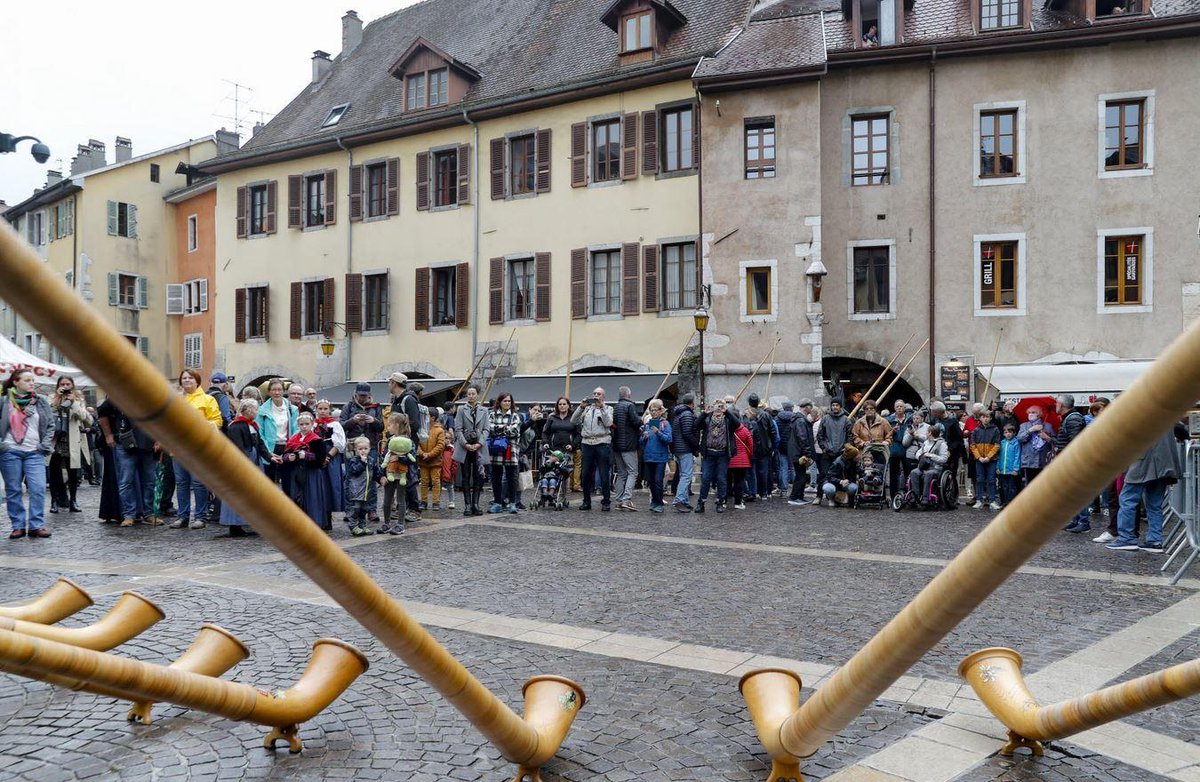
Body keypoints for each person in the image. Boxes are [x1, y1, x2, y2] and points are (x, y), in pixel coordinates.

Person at [1105, 428, 1182, 553]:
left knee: (1127, 500)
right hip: (1162, 463)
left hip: (1142, 461)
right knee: (1154, 505)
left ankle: (1127, 538)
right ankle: (1154, 540)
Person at [1, 369, 54, 539]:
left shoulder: (40, 401)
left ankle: (36, 525)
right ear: (16, 382)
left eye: (33, 380)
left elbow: (50, 425)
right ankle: (18, 525)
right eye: (27, 380)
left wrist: (44, 445)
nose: (32, 383)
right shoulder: (4, 401)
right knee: (13, 490)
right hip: (10, 451)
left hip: (34, 452)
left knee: (38, 489)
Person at [170, 370, 223, 530]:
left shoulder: (208, 399)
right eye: (184, 378)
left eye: (190, 378)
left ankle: (200, 516)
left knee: (198, 483)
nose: (186, 380)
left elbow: (217, 421)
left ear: (197, 381)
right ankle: (183, 516)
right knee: (181, 483)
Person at [220, 398, 279, 537]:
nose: (257, 412)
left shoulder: (253, 425)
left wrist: (270, 457)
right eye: (256, 409)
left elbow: (260, 445)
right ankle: (235, 525)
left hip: (254, 461)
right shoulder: (235, 426)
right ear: (248, 410)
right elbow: (238, 448)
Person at [97, 396, 158, 527]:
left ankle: (149, 514)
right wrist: (108, 435)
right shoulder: (119, 392)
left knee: (150, 482)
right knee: (126, 481)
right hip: (125, 443)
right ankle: (129, 515)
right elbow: (102, 412)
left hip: (148, 443)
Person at [47, 376, 91, 514]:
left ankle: (73, 501)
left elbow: (87, 419)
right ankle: (54, 501)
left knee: (73, 473)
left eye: (68, 384)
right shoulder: (51, 397)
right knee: (54, 472)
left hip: (72, 440)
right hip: (56, 440)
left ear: (72, 385)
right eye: (62, 384)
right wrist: (57, 400)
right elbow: (47, 415)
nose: (65, 386)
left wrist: (73, 403)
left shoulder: (79, 399)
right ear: (57, 386)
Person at [284, 412, 331, 531]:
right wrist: (289, 458)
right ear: (298, 425)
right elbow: (284, 455)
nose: (304, 426)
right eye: (301, 424)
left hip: (312, 473)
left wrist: (306, 455)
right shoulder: (293, 439)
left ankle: (314, 522)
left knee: (312, 496)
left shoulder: (317, 440)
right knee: (297, 496)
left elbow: (320, 459)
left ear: (312, 424)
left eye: (307, 424)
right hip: (296, 473)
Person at [388, 372, 424, 524]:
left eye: (389, 382)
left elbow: (415, 424)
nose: (388, 385)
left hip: (407, 445)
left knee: (409, 477)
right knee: (399, 476)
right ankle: (403, 507)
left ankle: (414, 509)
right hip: (397, 443)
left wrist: (401, 437)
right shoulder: (397, 400)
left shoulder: (408, 400)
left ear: (394, 383)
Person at [572, 387, 613, 512]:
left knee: (604, 474)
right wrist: (581, 407)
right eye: (594, 393)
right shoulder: (587, 409)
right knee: (585, 474)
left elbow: (608, 423)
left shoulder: (609, 408)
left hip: (602, 443)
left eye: (598, 394)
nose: (596, 396)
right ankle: (586, 501)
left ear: (603, 396)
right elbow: (573, 421)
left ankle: (606, 501)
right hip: (587, 443)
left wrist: (602, 408)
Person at [1056, 394, 1092, 533]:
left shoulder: (1073, 418)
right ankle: (1076, 519)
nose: (1055, 406)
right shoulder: (1069, 418)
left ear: (1061, 405)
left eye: (1056, 403)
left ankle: (1083, 521)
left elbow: (1075, 442)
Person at [695, 398, 737, 514]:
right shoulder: (707, 418)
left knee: (721, 479)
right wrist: (704, 413)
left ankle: (720, 502)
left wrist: (727, 412)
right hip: (709, 453)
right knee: (706, 478)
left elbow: (737, 424)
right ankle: (701, 502)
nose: (718, 408)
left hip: (723, 454)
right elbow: (696, 425)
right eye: (716, 406)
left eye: (720, 406)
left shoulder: (727, 419)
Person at [453, 385, 490, 517]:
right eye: (469, 394)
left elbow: (486, 429)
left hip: (479, 447)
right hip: (465, 447)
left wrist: (480, 443)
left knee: (478, 476)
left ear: (477, 395)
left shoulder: (484, 410)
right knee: (466, 476)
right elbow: (458, 429)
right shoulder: (461, 410)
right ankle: (468, 504)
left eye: (473, 394)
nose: (471, 396)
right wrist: (465, 444)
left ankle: (476, 503)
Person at [257, 379, 298, 490]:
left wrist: (292, 446)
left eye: (279, 389)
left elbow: (296, 429)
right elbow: (260, 432)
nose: (276, 392)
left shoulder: (292, 409)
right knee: (268, 481)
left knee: (288, 481)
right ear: (269, 392)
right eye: (274, 390)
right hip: (270, 448)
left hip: (287, 446)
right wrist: (267, 452)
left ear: (283, 391)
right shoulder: (262, 411)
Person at [487, 392, 523, 514]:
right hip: (496, 449)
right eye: (505, 401)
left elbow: (515, 431)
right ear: (500, 402)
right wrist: (505, 429)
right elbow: (490, 429)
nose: (507, 403)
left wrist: (499, 429)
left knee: (511, 477)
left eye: (509, 401)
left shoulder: (515, 416)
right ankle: (497, 502)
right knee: (496, 477)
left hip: (510, 450)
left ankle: (512, 503)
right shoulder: (492, 414)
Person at [380, 413, 414, 533]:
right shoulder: (390, 440)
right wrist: (382, 474)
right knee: (387, 500)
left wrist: (399, 459)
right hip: (389, 473)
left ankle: (400, 524)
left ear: (397, 425)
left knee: (401, 499)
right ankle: (386, 523)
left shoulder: (408, 441)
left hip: (402, 475)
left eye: (389, 425)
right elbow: (384, 457)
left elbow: (412, 460)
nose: (387, 427)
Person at [313, 400, 346, 519]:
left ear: (329, 410)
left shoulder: (335, 425)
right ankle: (319, 513)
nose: (322, 411)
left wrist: (327, 457)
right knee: (318, 484)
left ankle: (328, 514)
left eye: (325, 409)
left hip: (331, 456)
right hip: (316, 457)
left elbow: (339, 444)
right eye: (320, 409)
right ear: (316, 410)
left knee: (330, 483)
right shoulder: (313, 424)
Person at [611, 386, 642, 512]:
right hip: (629, 445)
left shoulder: (615, 407)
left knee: (621, 473)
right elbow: (636, 422)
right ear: (629, 395)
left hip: (617, 445)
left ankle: (618, 500)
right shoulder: (630, 406)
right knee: (633, 472)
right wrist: (640, 421)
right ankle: (626, 499)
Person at [343, 436, 381, 537]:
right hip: (355, 491)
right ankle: (353, 526)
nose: (363, 451)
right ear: (356, 450)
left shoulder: (371, 460)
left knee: (364, 509)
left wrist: (381, 478)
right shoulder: (354, 460)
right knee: (355, 509)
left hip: (366, 491)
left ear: (369, 449)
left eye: (365, 448)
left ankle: (362, 525)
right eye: (360, 449)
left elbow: (376, 472)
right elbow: (354, 471)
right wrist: (362, 463)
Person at [816, 400, 852, 504]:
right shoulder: (825, 419)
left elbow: (849, 436)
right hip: (827, 452)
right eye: (833, 405)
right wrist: (823, 447)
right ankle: (819, 496)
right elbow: (820, 435)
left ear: (840, 406)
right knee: (823, 474)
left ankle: (836, 497)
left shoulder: (846, 420)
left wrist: (847, 447)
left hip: (841, 453)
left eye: (837, 405)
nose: (835, 407)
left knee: (839, 475)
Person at [639, 399, 672, 513]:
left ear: (660, 411)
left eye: (655, 410)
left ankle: (659, 503)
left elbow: (668, 439)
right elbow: (641, 443)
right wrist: (644, 437)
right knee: (651, 482)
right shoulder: (647, 425)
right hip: (649, 457)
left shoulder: (665, 424)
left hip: (660, 457)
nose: (653, 413)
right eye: (651, 410)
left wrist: (658, 432)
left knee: (658, 480)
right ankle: (654, 501)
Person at [670, 393, 700, 512]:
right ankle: (679, 500)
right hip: (685, 448)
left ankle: (685, 500)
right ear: (692, 403)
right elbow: (687, 433)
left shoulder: (678, 414)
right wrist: (696, 446)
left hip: (678, 448)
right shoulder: (687, 414)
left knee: (683, 474)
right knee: (686, 476)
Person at [909, 424, 949, 506]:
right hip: (923, 467)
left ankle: (925, 498)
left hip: (935, 468)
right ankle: (915, 496)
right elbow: (917, 453)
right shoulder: (926, 443)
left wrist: (931, 455)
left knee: (928, 474)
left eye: (927, 431)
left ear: (930, 433)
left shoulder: (942, 444)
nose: (926, 433)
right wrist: (921, 455)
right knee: (914, 472)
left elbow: (944, 459)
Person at [786, 399, 817, 506]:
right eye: (810, 406)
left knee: (801, 475)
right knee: (801, 476)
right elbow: (802, 438)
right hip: (799, 453)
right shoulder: (800, 420)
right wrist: (807, 453)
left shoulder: (799, 419)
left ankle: (799, 496)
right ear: (806, 407)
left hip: (797, 452)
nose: (812, 408)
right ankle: (794, 497)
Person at [969, 411, 1002, 510]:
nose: (986, 419)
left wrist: (988, 457)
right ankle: (979, 500)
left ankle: (992, 500)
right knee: (980, 480)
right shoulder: (976, 430)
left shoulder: (995, 430)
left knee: (991, 480)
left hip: (991, 459)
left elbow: (997, 445)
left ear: (991, 418)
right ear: (980, 418)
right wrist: (979, 457)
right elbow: (972, 445)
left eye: (988, 417)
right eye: (983, 417)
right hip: (979, 459)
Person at [1016, 406, 1056, 487]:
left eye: (1033, 412)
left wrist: (1047, 437)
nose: (1030, 414)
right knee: (1030, 485)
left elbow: (1055, 441)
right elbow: (1019, 439)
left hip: (1043, 460)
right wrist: (1030, 430)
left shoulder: (1048, 426)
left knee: (1043, 485)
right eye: (1029, 413)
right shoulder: (1024, 426)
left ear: (1039, 414)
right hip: (1029, 460)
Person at [418, 407, 448, 511]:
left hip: (435, 461)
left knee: (436, 481)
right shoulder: (421, 429)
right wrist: (422, 453)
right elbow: (417, 443)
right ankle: (423, 501)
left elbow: (440, 445)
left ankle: (436, 502)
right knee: (424, 482)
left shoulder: (439, 430)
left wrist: (429, 454)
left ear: (432, 418)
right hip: (423, 460)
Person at [729, 410, 755, 510]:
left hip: (729, 460)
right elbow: (750, 445)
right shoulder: (744, 430)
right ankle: (738, 502)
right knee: (739, 481)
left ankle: (723, 502)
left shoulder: (727, 431)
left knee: (726, 481)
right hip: (742, 460)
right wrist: (749, 456)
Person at [997, 424, 1021, 507]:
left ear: (1014, 433)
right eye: (1006, 432)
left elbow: (1017, 456)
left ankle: (1011, 503)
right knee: (1002, 487)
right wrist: (997, 467)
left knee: (1012, 488)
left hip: (1011, 471)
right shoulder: (1002, 443)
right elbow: (999, 456)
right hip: (1002, 470)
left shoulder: (1016, 443)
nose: (1008, 434)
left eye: (1010, 432)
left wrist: (1016, 469)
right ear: (1003, 433)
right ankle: (1003, 502)